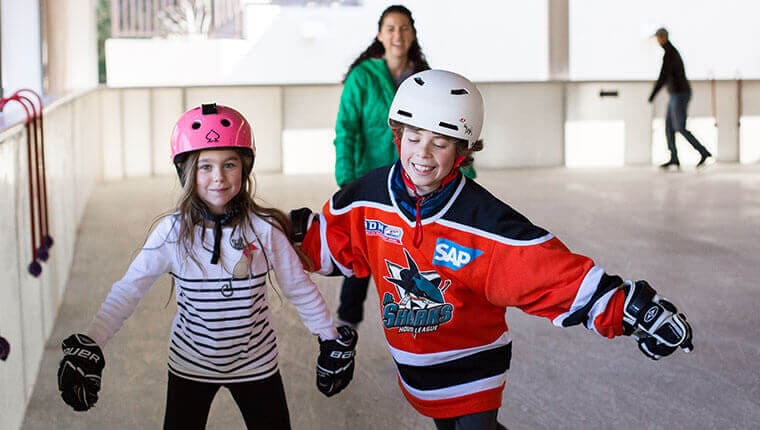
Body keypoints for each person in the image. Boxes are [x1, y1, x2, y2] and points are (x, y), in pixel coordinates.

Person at [291, 70, 694, 429]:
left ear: (463, 151)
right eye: (413, 138)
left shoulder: (482, 220)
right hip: (417, 366)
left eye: (441, 143)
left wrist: (629, 308)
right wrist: (270, 229)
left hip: (474, 362)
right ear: (397, 136)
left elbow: (547, 273)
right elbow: (329, 243)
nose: (423, 154)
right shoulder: (368, 199)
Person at [56, 103, 357, 430]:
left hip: (256, 363)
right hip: (190, 364)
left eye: (230, 164)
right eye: (205, 166)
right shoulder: (171, 233)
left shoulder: (264, 229)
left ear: (245, 168)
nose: (219, 177)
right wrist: (93, 341)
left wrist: (329, 338)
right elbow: (129, 291)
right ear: (186, 172)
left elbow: (299, 289)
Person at [334, 4, 475, 330]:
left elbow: (449, 130)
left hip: (420, 179)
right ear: (380, 35)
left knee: (420, 247)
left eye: (404, 28)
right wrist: (347, 178)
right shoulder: (362, 78)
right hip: (371, 179)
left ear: (413, 34)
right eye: (391, 28)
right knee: (364, 251)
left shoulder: (426, 80)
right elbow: (347, 129)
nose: (398, 35)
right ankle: (347, 324)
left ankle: (423, 316)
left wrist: (465, 173)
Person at [649, 27, 712, 170]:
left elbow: (663, 77)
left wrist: (653, 95)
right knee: (669, 127)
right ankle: (674, 158)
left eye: (658, 38)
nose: (657, 41)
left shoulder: (670, 54)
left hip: (680, 94)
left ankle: (703, 152)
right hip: (675, 95)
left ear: (663, 37)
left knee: (680, 128)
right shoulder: (669, 52)